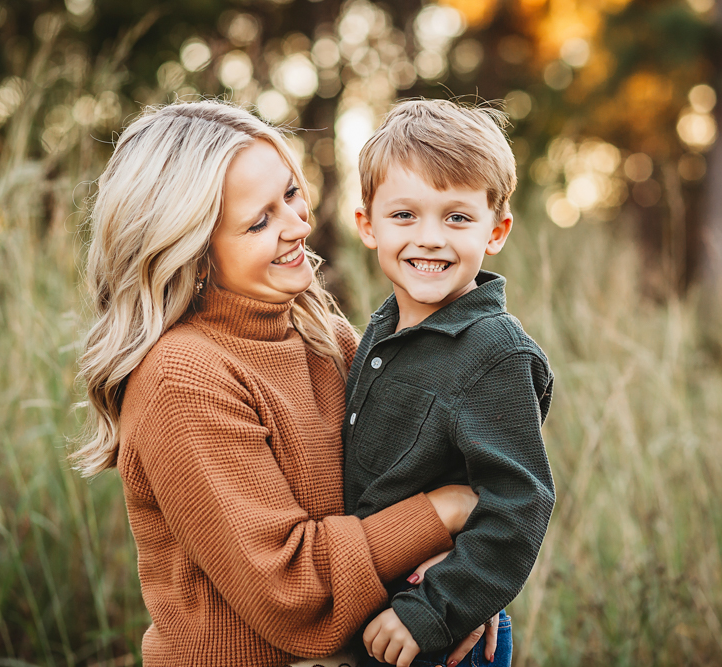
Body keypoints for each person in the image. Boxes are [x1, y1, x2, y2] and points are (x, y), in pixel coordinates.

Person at [69, 100, 486, 667]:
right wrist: (448, 512)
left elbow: (396, 485)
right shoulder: (183, 378)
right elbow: (292, 588)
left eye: (291, 195)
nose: (298, 226)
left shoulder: (321, 332)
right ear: (193, 253)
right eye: (259, 221)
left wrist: (455, 585)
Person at [343, 99, 556, 667]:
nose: (431, 238)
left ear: (497, 230)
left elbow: (519, 502)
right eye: (405, 215)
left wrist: (438, 607)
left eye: (457, 217)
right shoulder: (383, 328)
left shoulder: (495, 352)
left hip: (438, 633)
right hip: (374, 613)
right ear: (368, 225)